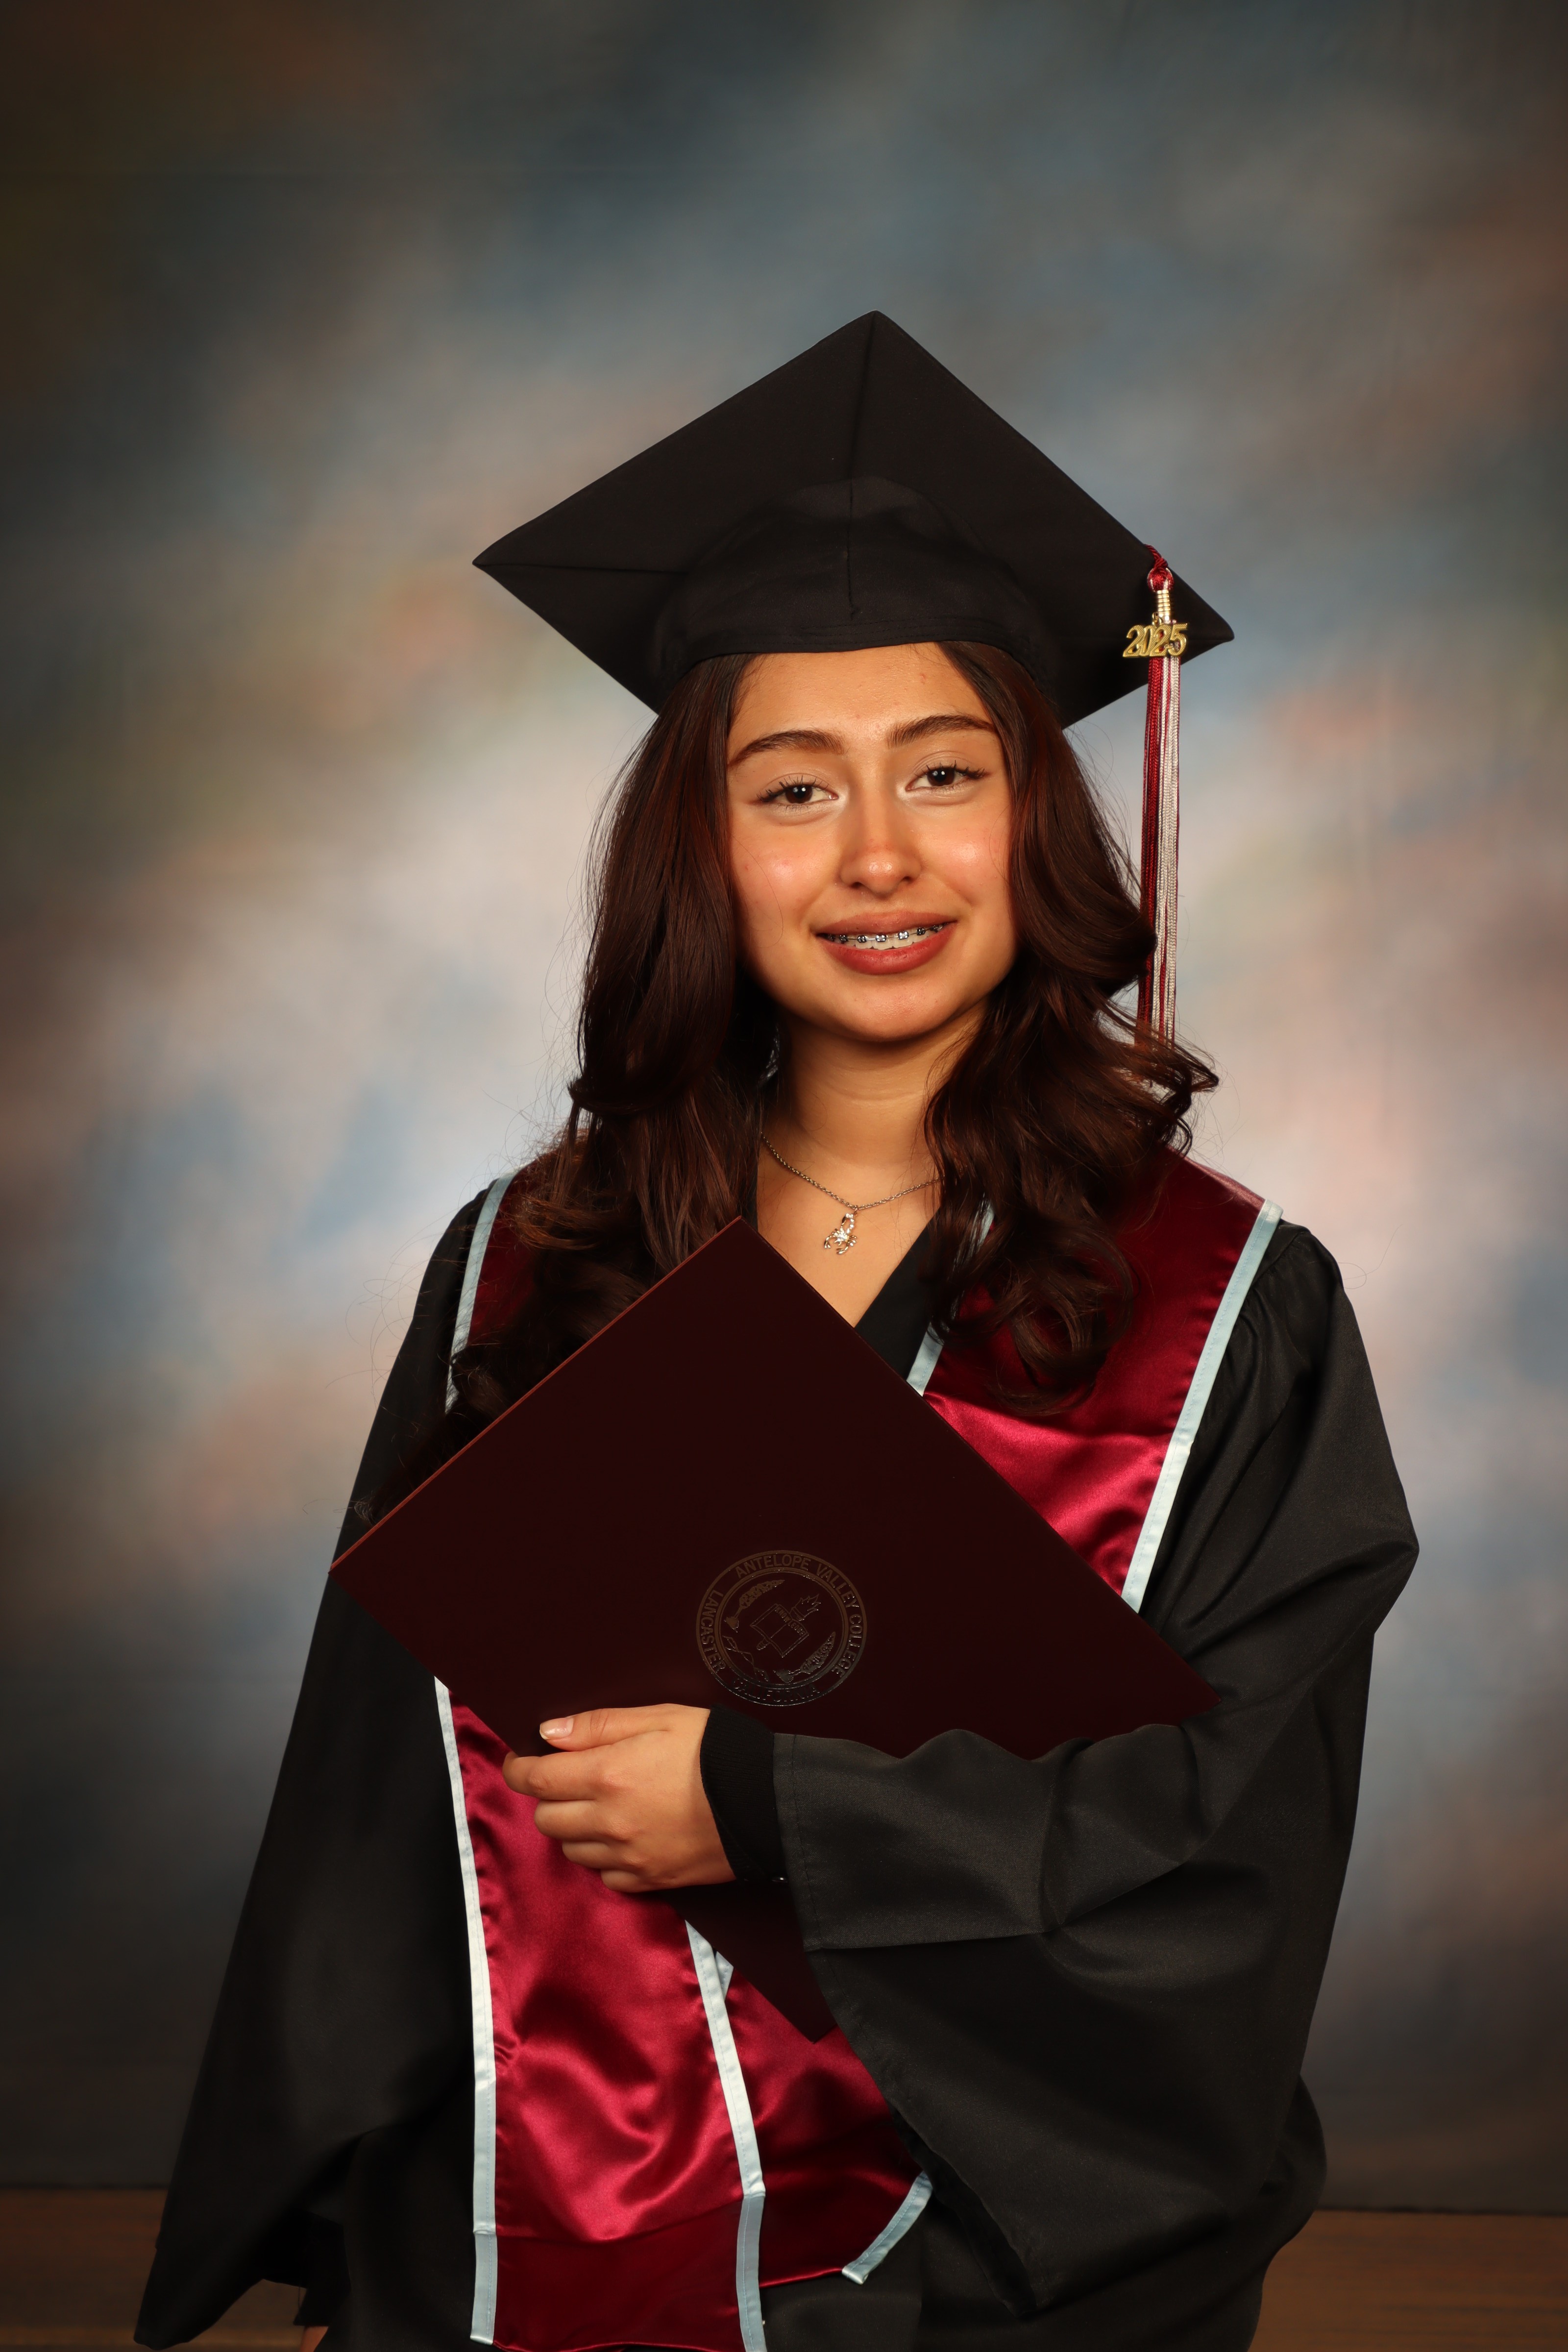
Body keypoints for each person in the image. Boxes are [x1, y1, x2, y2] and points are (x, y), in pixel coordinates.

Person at [137, 315, 1416, 2352]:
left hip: (973, 2274)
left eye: (945, 773)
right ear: (703, 850)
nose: (880, 856)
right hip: (521, 2223)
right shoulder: (522, 1262)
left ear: (1034, 818)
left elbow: (1228, 1847)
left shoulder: (1232, 1310)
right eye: (793, 788)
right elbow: (381, 1810)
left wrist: (765, 1801)